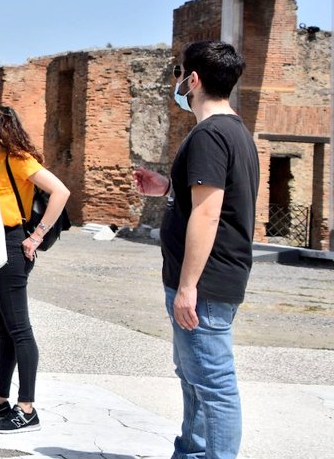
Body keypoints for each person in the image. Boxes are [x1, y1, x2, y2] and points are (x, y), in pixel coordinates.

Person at [134, 41, 258, 459]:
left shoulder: (209, 134)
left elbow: (207, 217)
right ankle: (190, 451)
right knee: (193, 377)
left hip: (204, 284)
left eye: (179, 73)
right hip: (209, 280)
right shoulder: (234, 130)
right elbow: (215, 200)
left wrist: (188, 286)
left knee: (214, 385)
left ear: (194, 79)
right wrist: (167, 188)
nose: (178, 81)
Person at [0, 104, 70, 434]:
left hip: (11, 245)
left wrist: (36, 236)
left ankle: (27, 407)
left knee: (19, 329)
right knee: (3, 330)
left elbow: (60, 192)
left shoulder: (18, 158)